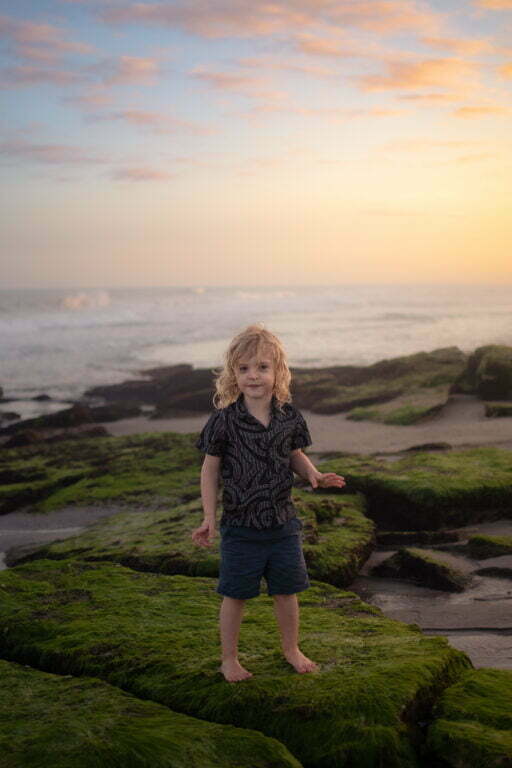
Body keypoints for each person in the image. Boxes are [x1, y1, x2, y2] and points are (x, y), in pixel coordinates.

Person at [192, 324, 345, 682]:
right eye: (244, 369)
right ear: (233, 375)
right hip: (241, 527)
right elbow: (209, 470)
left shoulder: (288, 416)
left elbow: (294, 453)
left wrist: (314, 476)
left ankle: (291, 649)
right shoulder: (224, 421)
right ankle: (229, 658)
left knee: (286, 591)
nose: (253, 376)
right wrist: (209, 517)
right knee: (235, 594)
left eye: (262, 367)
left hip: (282, 523)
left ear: (278, 372)